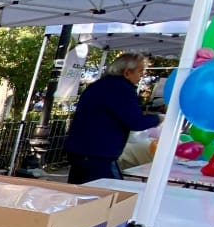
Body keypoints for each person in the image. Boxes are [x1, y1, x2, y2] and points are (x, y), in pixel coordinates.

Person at [63, 52, 163, 184]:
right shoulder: (121, 89)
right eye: (140, 72)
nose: (141, 76)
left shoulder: (98, 86)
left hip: (81, 149)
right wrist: (158, 118)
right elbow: (135, 122)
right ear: (127, 72)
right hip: (99, 153)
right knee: (112, 194)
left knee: (79, 192)